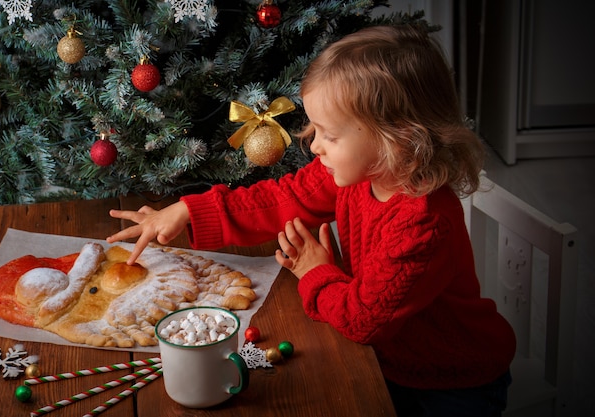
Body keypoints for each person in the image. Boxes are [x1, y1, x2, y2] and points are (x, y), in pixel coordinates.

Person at [107, 25, 516, 417]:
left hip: (452, 382)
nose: (314, 145)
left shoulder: (423, 222)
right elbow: (284, 199)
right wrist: (188, 211)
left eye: (330, 135)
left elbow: (363, 320)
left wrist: (316, 271)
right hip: (384, 360)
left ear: (399, 139)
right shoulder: (360, 172)